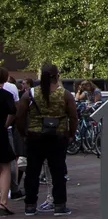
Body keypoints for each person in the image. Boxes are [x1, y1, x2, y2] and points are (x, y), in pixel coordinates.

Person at [16, 64, 77, 216]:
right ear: (57, 76)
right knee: (58, 172)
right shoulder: (65, 94)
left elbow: (20, 116)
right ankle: (59, 205)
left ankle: (30, 205)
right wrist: (71, 134)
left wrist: (24, 133)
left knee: (32, 172)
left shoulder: (30, 94)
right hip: (58, 137)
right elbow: (73, 117)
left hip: (35, 137)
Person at [0, 69, 16, 215]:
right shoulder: (6, 95)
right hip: (1, 133)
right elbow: (13, 111)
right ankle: (3, 201)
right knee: (5, 167)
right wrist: (6, 124)